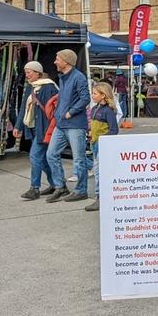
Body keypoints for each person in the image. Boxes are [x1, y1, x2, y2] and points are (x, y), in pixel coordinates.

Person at [45, 49, 91, 203]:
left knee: (78, 159)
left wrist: (71, 112)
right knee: (51, 154)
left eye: (57, 59)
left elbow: (85, 98)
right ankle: (60, 186)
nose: (55, 61)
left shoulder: (78, 77)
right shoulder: (63, 78)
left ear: (66, 61)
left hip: (75, 124)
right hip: (61, 124)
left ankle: (81, 190)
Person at [12, 61, 59, 199]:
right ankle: (56, 184)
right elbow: (23, 107)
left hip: (44, 128)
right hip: (32, 127)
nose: (26, 75)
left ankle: (34, 188)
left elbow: (53, 108)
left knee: (34, 156)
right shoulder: (30, 87)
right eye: (26, 72)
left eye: (29, 72)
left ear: (38, 72)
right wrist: (18, 126)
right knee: (41, 159)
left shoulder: (49, 87)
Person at [85, 83, 119, 212]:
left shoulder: (108, 111)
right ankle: (101, 197)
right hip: (94, 143)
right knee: (97, 170)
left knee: (99, 172)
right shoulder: (94, 109)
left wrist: (102, 139)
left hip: (102, 145)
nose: (92, 96)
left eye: (95, 93)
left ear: (103, 95)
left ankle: (100, 198)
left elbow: (114, 130)